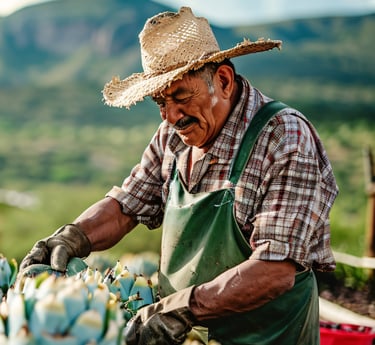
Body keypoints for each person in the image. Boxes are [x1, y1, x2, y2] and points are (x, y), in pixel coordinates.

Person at [20, 6, 339, 345]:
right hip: (188, 335)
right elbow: (127, 205)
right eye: (160, 101)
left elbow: (275, 270)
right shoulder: (173, 136)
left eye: (181, 96)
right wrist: (73, 237)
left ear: (224, 81)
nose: (171, 115)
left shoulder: (284, 137)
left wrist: (180, 308)